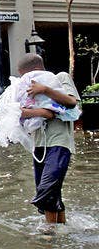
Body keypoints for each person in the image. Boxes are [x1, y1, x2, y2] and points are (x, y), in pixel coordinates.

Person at [17, 53, 80, 232]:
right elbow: (21, 112)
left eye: (26, 75)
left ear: (35, 71)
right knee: (52, 192)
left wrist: (45, 89)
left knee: (47, 189)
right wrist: (36, 113)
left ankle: (49, 232)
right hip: (39, 145)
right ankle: (62, 229)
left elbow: (72, 103)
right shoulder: (25, 88)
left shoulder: (60, 78)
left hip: (59, 143)